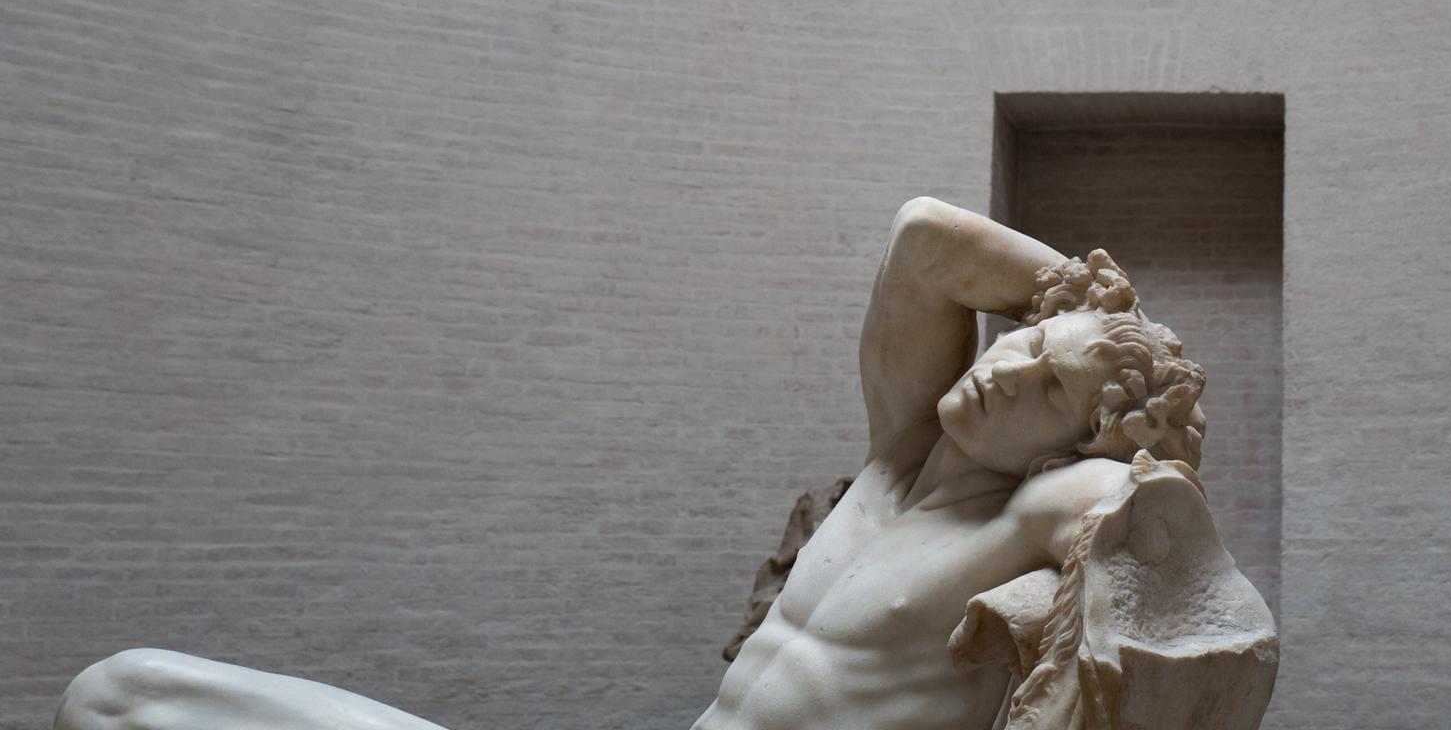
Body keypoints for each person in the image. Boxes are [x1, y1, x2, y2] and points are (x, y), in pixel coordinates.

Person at [55, 199, 1273, 730]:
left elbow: (1153, 537)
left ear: (1070, 443)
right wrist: (1088, 304)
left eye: (1045, 386)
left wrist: (1132, 414)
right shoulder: (897, 459)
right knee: (120, 693)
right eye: (1024, 345)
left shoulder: (1039, 516)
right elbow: (924, 240)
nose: (1005, 369)